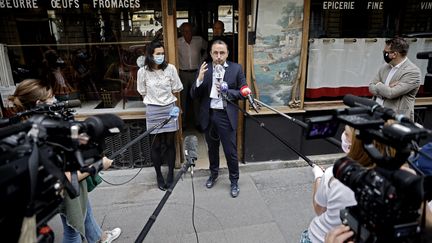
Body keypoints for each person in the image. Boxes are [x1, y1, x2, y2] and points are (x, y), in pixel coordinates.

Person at [8, 79, 121, 243]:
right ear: (40, 104)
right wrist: (98, 166)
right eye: (51, 97)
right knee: (73, 230)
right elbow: (62, 179)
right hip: (66, 192)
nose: (55, 100)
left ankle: (99, 238)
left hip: (74, 189)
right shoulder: (37, 136)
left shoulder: (38, 126)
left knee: (85, 211)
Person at [190, 39, 247, 198]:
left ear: (227, 53)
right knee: (212, 149)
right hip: (209, 115)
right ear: (210, 54)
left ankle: (234, 180)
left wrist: (227, 92)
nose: (219, 56)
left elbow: (244, 93)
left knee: (230, 151)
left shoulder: (236, 69)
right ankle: (213, 174)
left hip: (225, 115)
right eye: (215, 53)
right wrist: (199, 79)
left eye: (222, 53)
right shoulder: (205, 68)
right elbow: (193, 95)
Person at [137, 41, 183, 191]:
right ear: (150, 55)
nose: (161, 56)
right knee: (155, 145)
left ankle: (170, 173)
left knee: (170, 144)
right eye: (158, 54)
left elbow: (176, 88)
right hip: (153, 110)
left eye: (162, 53)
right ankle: (158, 175)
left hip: (169, 109)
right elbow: (142, 91)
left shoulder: (170, 69)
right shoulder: (142, 72)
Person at [368, 37, 421, 121]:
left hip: (395, 119)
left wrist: (378, 84)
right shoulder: (385, 67)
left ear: (394, 54)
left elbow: (391, 93)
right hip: (376, 113)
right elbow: (371, 87)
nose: (384, 53)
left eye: (385, 52)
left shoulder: (413, 72)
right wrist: (386, 87)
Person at [177, 22, 207, 130]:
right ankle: (183, 123)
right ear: (181, 32)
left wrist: (202, 59)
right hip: (183, 74)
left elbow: (209, 48)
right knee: (183, 99)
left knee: (196, 99)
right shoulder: (177, 42)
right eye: (185, 31)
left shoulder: (198, 40)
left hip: (196, 73)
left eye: (189, 30)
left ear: (192, 31)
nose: (187, 33)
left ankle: (198, 123)